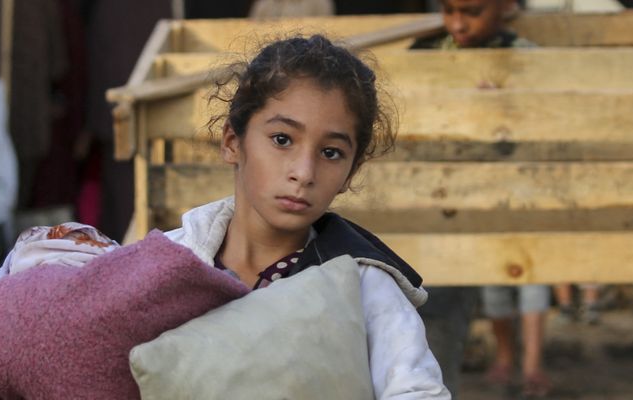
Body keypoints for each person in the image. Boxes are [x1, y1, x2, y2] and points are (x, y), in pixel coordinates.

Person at [162, 34, 450, 398]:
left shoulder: (364, 286)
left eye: (330, 152)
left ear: (351, 171)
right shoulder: (168, 265)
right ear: (233, 142)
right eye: (282, 140)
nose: (304, 172)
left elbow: (416, 391)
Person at [412, 0, 549, 397]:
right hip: (439, 210)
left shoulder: (525, 58)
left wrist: (504, 114)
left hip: (506, 207)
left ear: (506, 6)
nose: (458, 22)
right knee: (435, 318)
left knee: (522, 284)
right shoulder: (427, 54)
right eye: (449, 9)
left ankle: (525, 365)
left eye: (471, 11)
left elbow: (545, 130)